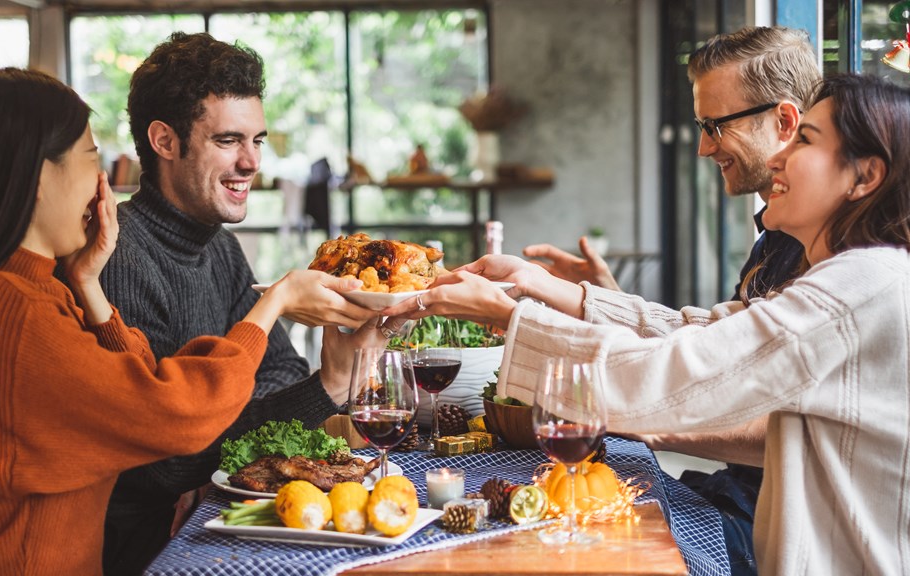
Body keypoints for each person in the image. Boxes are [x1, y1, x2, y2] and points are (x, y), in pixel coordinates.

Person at [385, 73, 910, 575]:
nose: (778, 155)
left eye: (805, 142)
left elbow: (686, 370)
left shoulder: (860, 287)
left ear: (865, 176)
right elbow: (700, 335)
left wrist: (508, 315)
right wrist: (541, 287)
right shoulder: (854, 278)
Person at [0, 67, 375, 575]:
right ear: (39, 174)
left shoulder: (32, 289)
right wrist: (273, 304)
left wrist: (89, 286)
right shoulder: (12, 312)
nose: (103, 181)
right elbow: (173, 417)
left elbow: (140, 384)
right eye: (91, 157)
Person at [521, 26, 820, 575]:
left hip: (778, 525)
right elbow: (713, 344)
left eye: (714, 127)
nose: (704, 147)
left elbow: (766, 415)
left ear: (784, 121)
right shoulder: (778, 238)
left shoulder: (836, 255)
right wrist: (595, 299)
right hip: (739, 494)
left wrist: (620, 405)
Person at [93, 32, 383, 574]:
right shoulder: (121, 256)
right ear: (164, 141)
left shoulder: (219, 246)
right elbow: (164, 463)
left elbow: (277, 370)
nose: (251, 163)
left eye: (258, 140)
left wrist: (217, 459)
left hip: (216, 509)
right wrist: (325, 389)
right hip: (149, 545)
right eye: (228, 141)